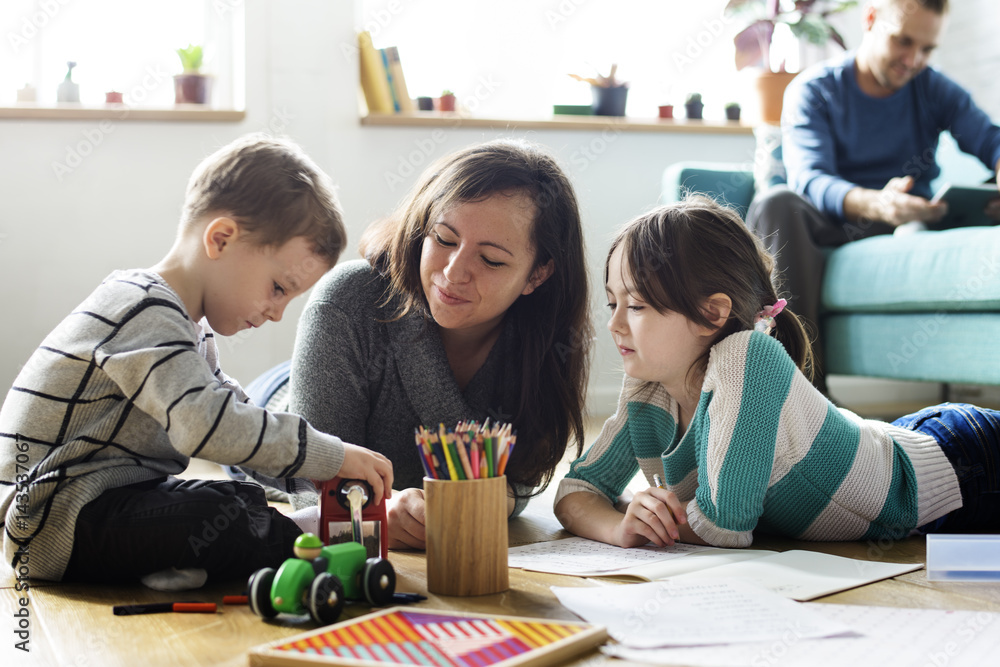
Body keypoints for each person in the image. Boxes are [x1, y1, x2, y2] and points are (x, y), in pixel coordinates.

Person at [0, 134, 393, 588]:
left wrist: (322, 483)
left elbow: (241, 419)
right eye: (278, 288)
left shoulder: (187, 328)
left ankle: (207, 555)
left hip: (105, 503)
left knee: (236, 499)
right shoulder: (142, 309)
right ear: (221, 238)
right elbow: (208, 425)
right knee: (217, 516)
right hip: (51, 521)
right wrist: (330, 455)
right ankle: (310, 541)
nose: (276, 312)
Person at [554, 196, 999, 549]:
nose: (613, 325)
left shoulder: (747, 357)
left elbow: (722, 527)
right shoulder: (647, 387)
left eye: (636, 306)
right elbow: (575, 488)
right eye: (613, 304)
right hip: (902, 440)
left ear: (712, 313)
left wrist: (643, 511)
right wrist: (621, 528)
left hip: (967, 463)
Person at [289, 138, 593, 550]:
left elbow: (519, 481)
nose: (453, 272)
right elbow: (311, 486)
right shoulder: (345, 301)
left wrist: (486, 498)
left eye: (491, 260)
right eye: (444, 239)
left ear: (537, 275)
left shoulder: (545, 339)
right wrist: (378, 515)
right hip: (278, 406)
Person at [746, 0, 1000, 392]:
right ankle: (800, 391)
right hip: (831, 221)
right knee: (775, 204)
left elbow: (990, 140)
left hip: (909, 221)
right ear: (870, 20)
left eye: (927, 49)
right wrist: (876, 202)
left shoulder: (933, 87)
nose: (913, 59)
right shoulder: (816, 90)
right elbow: (810, 178)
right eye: (903, 41)